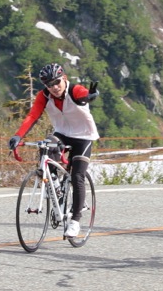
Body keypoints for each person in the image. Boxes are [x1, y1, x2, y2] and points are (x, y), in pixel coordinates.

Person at [9, 63, 100, 238]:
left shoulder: (74, 90)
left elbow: (83, 95)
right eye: (49, 85)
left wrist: (90, 96)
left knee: (77, 176)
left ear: (64, 78)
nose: (54, 87)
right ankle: (56, 186)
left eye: (57, 82)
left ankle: (75, 220)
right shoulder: (44, 96)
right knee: (45, 147)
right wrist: (18, 136)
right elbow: (32, 116)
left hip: (84, 136)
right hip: (62, 134)